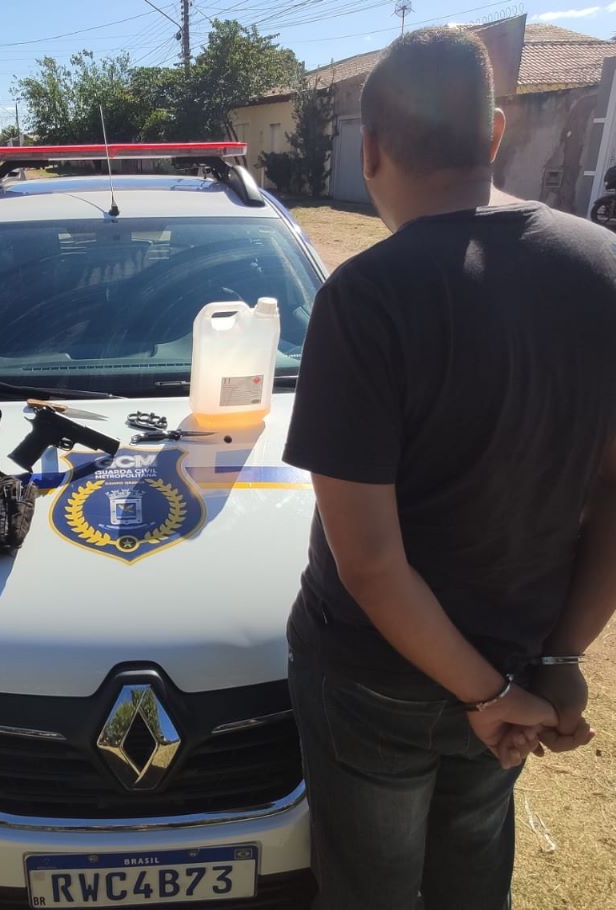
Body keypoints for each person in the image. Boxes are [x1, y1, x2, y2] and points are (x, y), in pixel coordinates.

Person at [283, 28, 614, 910]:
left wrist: (489, 694)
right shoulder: (605, 271)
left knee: (372, 887)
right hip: (518, 659)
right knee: (472, 871)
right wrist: (553, 660)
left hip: (376, 682)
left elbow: (370, 563)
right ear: (495, 133)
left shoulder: (365, 298)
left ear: (370, 149)